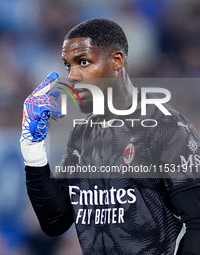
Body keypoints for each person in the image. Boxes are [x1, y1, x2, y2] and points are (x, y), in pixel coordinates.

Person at [20, 18, 200, 255]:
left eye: (83, 62)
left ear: (117, 61)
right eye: (68, 65)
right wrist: (33, 151)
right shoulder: (81, 134)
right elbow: (56, 222)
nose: (73, 75)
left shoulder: (167, 128)